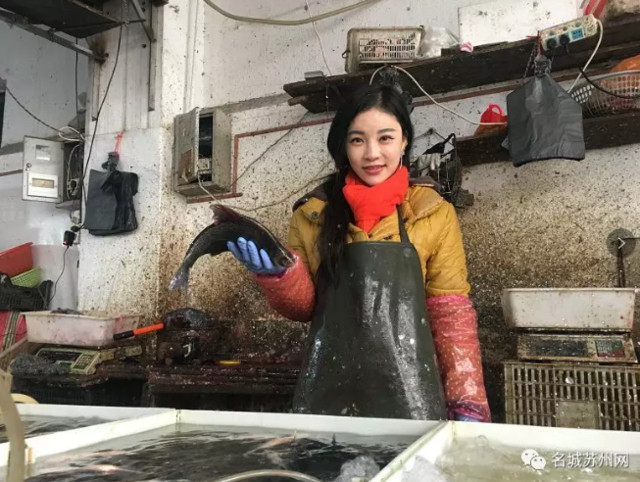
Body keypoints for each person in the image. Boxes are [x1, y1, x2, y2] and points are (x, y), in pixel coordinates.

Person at [227, 84, 491, 422]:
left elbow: (450, 313)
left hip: (410, 395)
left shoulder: (432, 212)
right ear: (344, 145)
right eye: (357, 140)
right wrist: (280, 277)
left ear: (404, 141)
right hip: (330, 396)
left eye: (385, 138)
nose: (371, 153)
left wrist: (467, 401)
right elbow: (306, 308)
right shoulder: (312, 213)